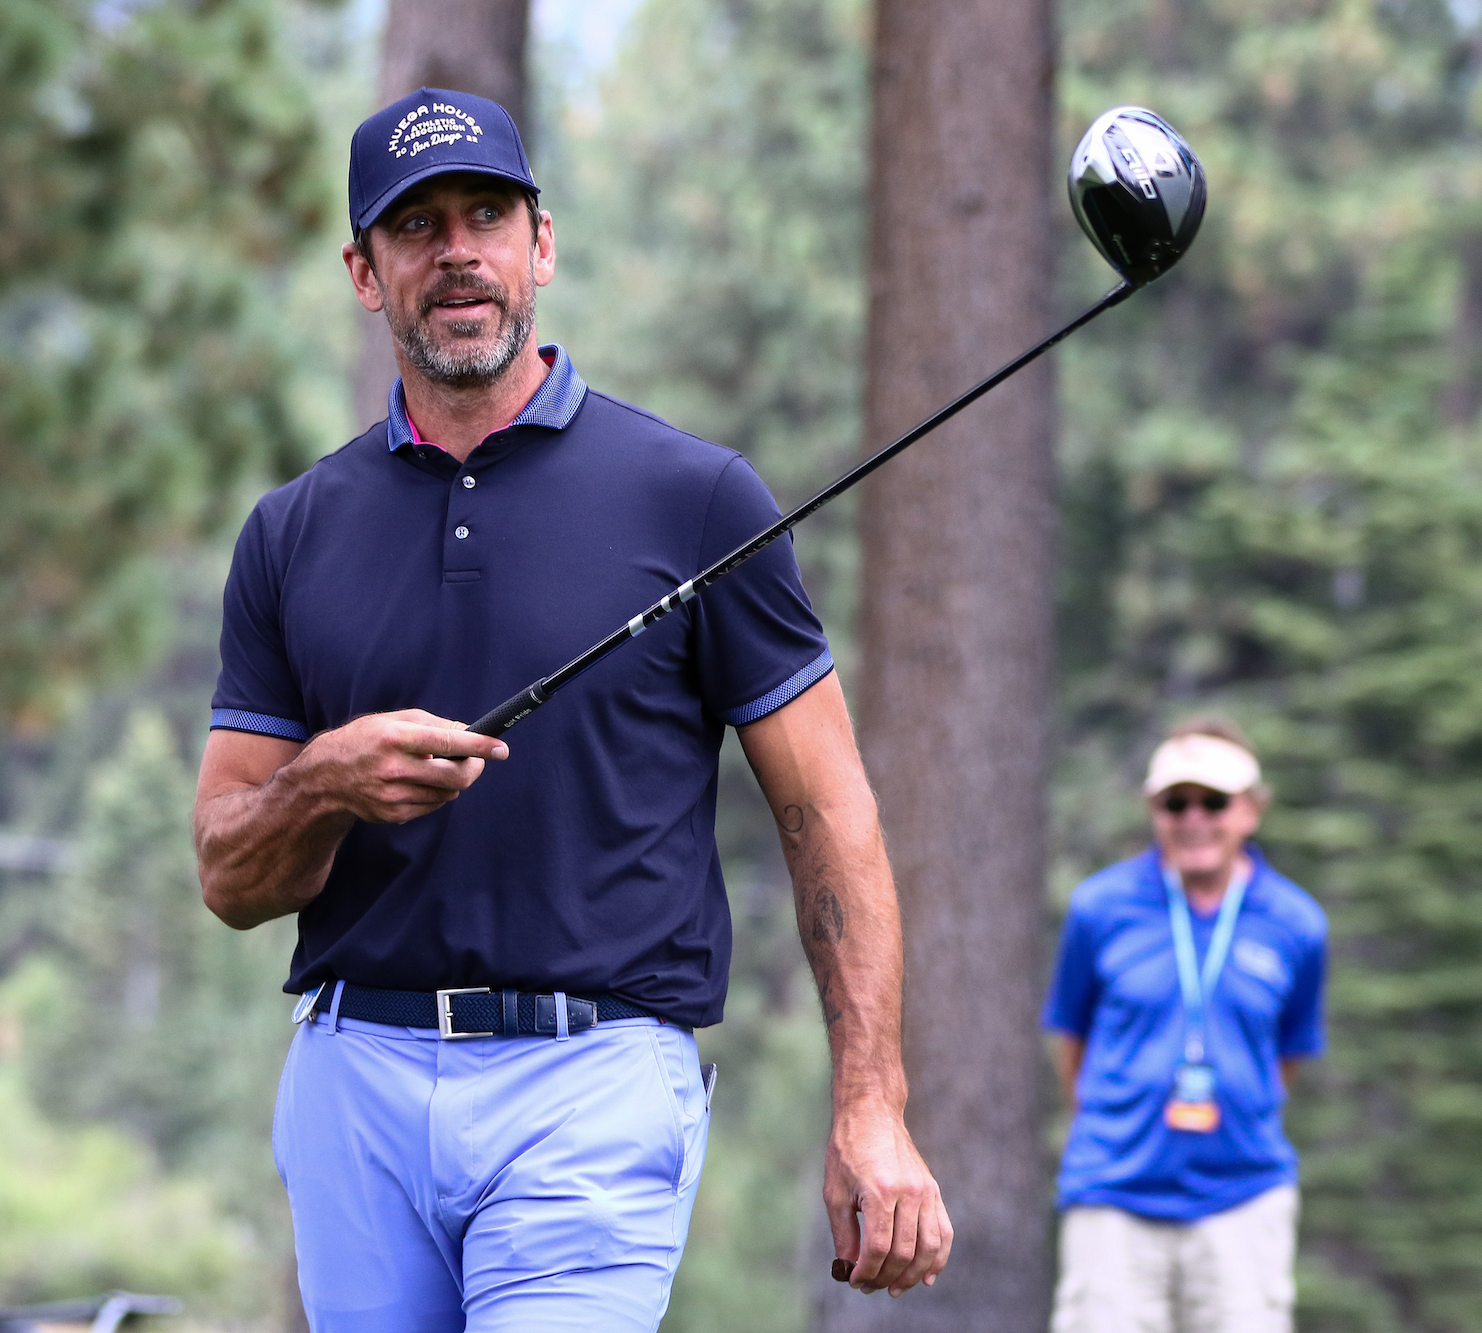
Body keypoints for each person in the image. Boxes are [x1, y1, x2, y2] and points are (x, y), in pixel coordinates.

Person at [190, 87, 948, 1332]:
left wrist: (871, 1104)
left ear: (540, 243)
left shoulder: (694, 497)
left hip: (590, 1082)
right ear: (364, 272)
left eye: (486, 215)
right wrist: (323, 781)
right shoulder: (290, 533)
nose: (457, 252)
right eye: (415, 226)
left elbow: (826, 812)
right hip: (354, 1082)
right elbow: (229, 874)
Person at [1043, 718, 1327, 1333]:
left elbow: (1288, 1055)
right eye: (1176, 802)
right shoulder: (1100, 908)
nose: (1194, 818)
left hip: (1243, 1199)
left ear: (1251, 810)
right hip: (1114, 1197)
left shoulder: (1297, 923)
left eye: (1213, 801)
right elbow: (1073, 1042)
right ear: (1154, 810)